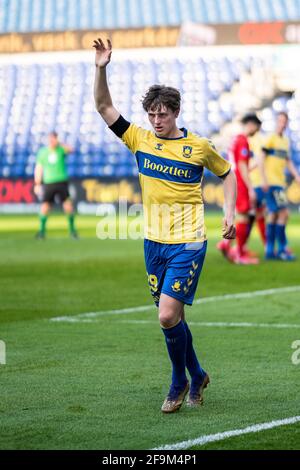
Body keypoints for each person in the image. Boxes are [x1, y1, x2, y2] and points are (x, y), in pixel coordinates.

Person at [93, 38, 237, 413]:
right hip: (152, 242)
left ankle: (178, 382)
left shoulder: (199, 147)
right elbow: (104, 106)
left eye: (163, 115)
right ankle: (198, 372)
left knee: (167, 315)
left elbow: (228, 174)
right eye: (152, 115)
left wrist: (230, 214)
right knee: (176, 317)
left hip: (188, 241)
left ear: (175, 113)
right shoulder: (139, 139)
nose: (156, 121)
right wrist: (101, 68)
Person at [217, 114, 261, 264]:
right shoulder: (243, 141)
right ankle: (240, 255)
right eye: (257, 128)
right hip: (240, 183)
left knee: (235, 216)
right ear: (251, 124)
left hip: (232, 180)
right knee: (243, 217)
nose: (256, 131)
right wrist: (250, 188)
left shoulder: (234, 140)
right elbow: (242, 166)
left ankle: (226, 244)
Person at [263, 112, 300, 260]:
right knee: (284, 213)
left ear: (287, 123)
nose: (282, 123)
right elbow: (261, 157)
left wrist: (296, 175)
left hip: (279, 181)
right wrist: (264, 179)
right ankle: (283, 249)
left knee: (274, 215)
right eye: (280, 120)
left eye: (284, 121)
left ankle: (270, 251)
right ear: (276, 121)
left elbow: (288, 160)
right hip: (273, 183)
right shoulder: (271, 138)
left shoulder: (285, 140)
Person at [34, 131, 78, 239]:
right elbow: (39, 168)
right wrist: (37, 183)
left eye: (54, 138)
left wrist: (60, 143)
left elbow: (71, 150)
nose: (52, 140)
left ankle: (72, 231)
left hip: (61, 181)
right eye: (51, 138)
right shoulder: (43, 152)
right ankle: (41, 231)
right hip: (48, 182)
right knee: (45, 206)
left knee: (68, 205)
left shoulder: (61, 149)